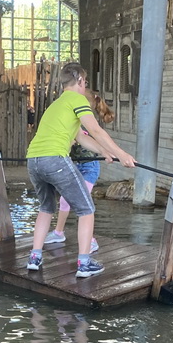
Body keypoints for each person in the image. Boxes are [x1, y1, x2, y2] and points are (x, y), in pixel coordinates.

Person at [25, 62, 135, 278]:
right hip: (55, 159)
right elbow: (94, 129)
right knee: (86, 209)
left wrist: (105, 152)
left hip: (33, 160)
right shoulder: (77, 99)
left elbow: (82, 138)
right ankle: (84, 264)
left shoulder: (56, 105)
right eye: (85, 83)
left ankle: (34, 258)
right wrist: (122, 154)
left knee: (46, 208)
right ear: (81, 81)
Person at [45, 91, 115, 251]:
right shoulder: (72, 121)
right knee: (64, 200)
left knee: (82, 203)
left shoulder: (88, 123)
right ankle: (58, 232)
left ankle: (91, 240)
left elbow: (81, 140)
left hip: (90, 167)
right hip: (74, 165)